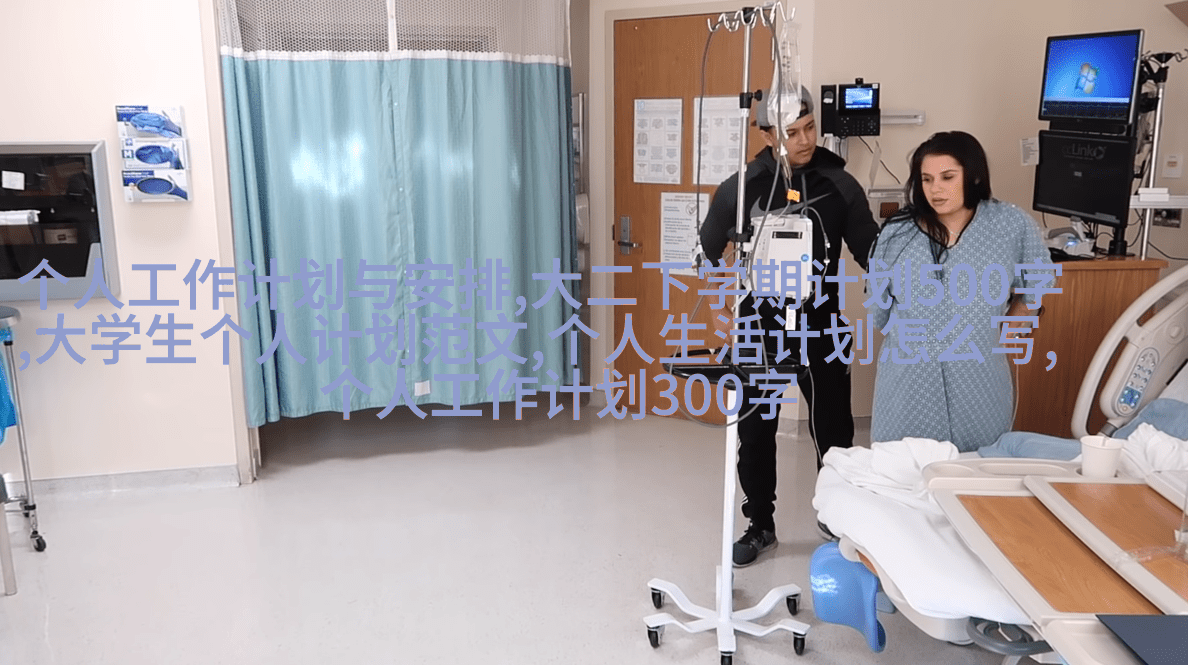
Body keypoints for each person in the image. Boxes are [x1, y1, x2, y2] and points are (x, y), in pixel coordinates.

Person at [699, 87, 880, 567]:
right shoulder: (742, 188)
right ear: (766, 135)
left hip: (821, 325)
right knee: (756, 433)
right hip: (759, 327)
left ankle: (838, 522)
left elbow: (873, 254)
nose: (804, 140)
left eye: (810, 128)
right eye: (791, 133)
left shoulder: (840, 186)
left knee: (834, 431)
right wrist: (720, 302)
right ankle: (760, 524)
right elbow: (707, 250)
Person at [866, 131, 1055, 453]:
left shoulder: (1009, 224)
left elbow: (1037, 280)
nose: (935, 189)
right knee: (904, 467)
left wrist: (1009, 326)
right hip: (909, 379)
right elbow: (879, 308)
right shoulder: (897, 233)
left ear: (973, 175)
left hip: (979, 376)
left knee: (977, 468)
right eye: (926, 179)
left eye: (947, 177)